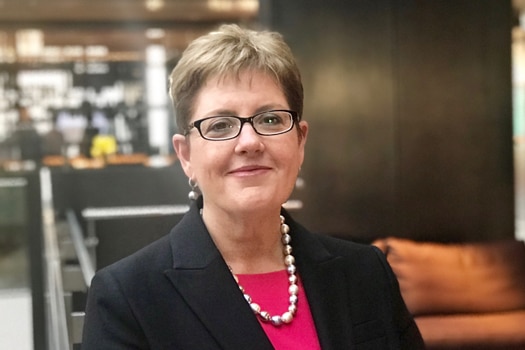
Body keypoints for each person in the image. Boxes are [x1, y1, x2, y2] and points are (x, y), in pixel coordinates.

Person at [82, 24, 425, 349]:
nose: (250, 142)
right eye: (220, 125)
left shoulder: (366, 272)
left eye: (271, 119)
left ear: (300, 141)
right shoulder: (127, 297)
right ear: (186, 155)